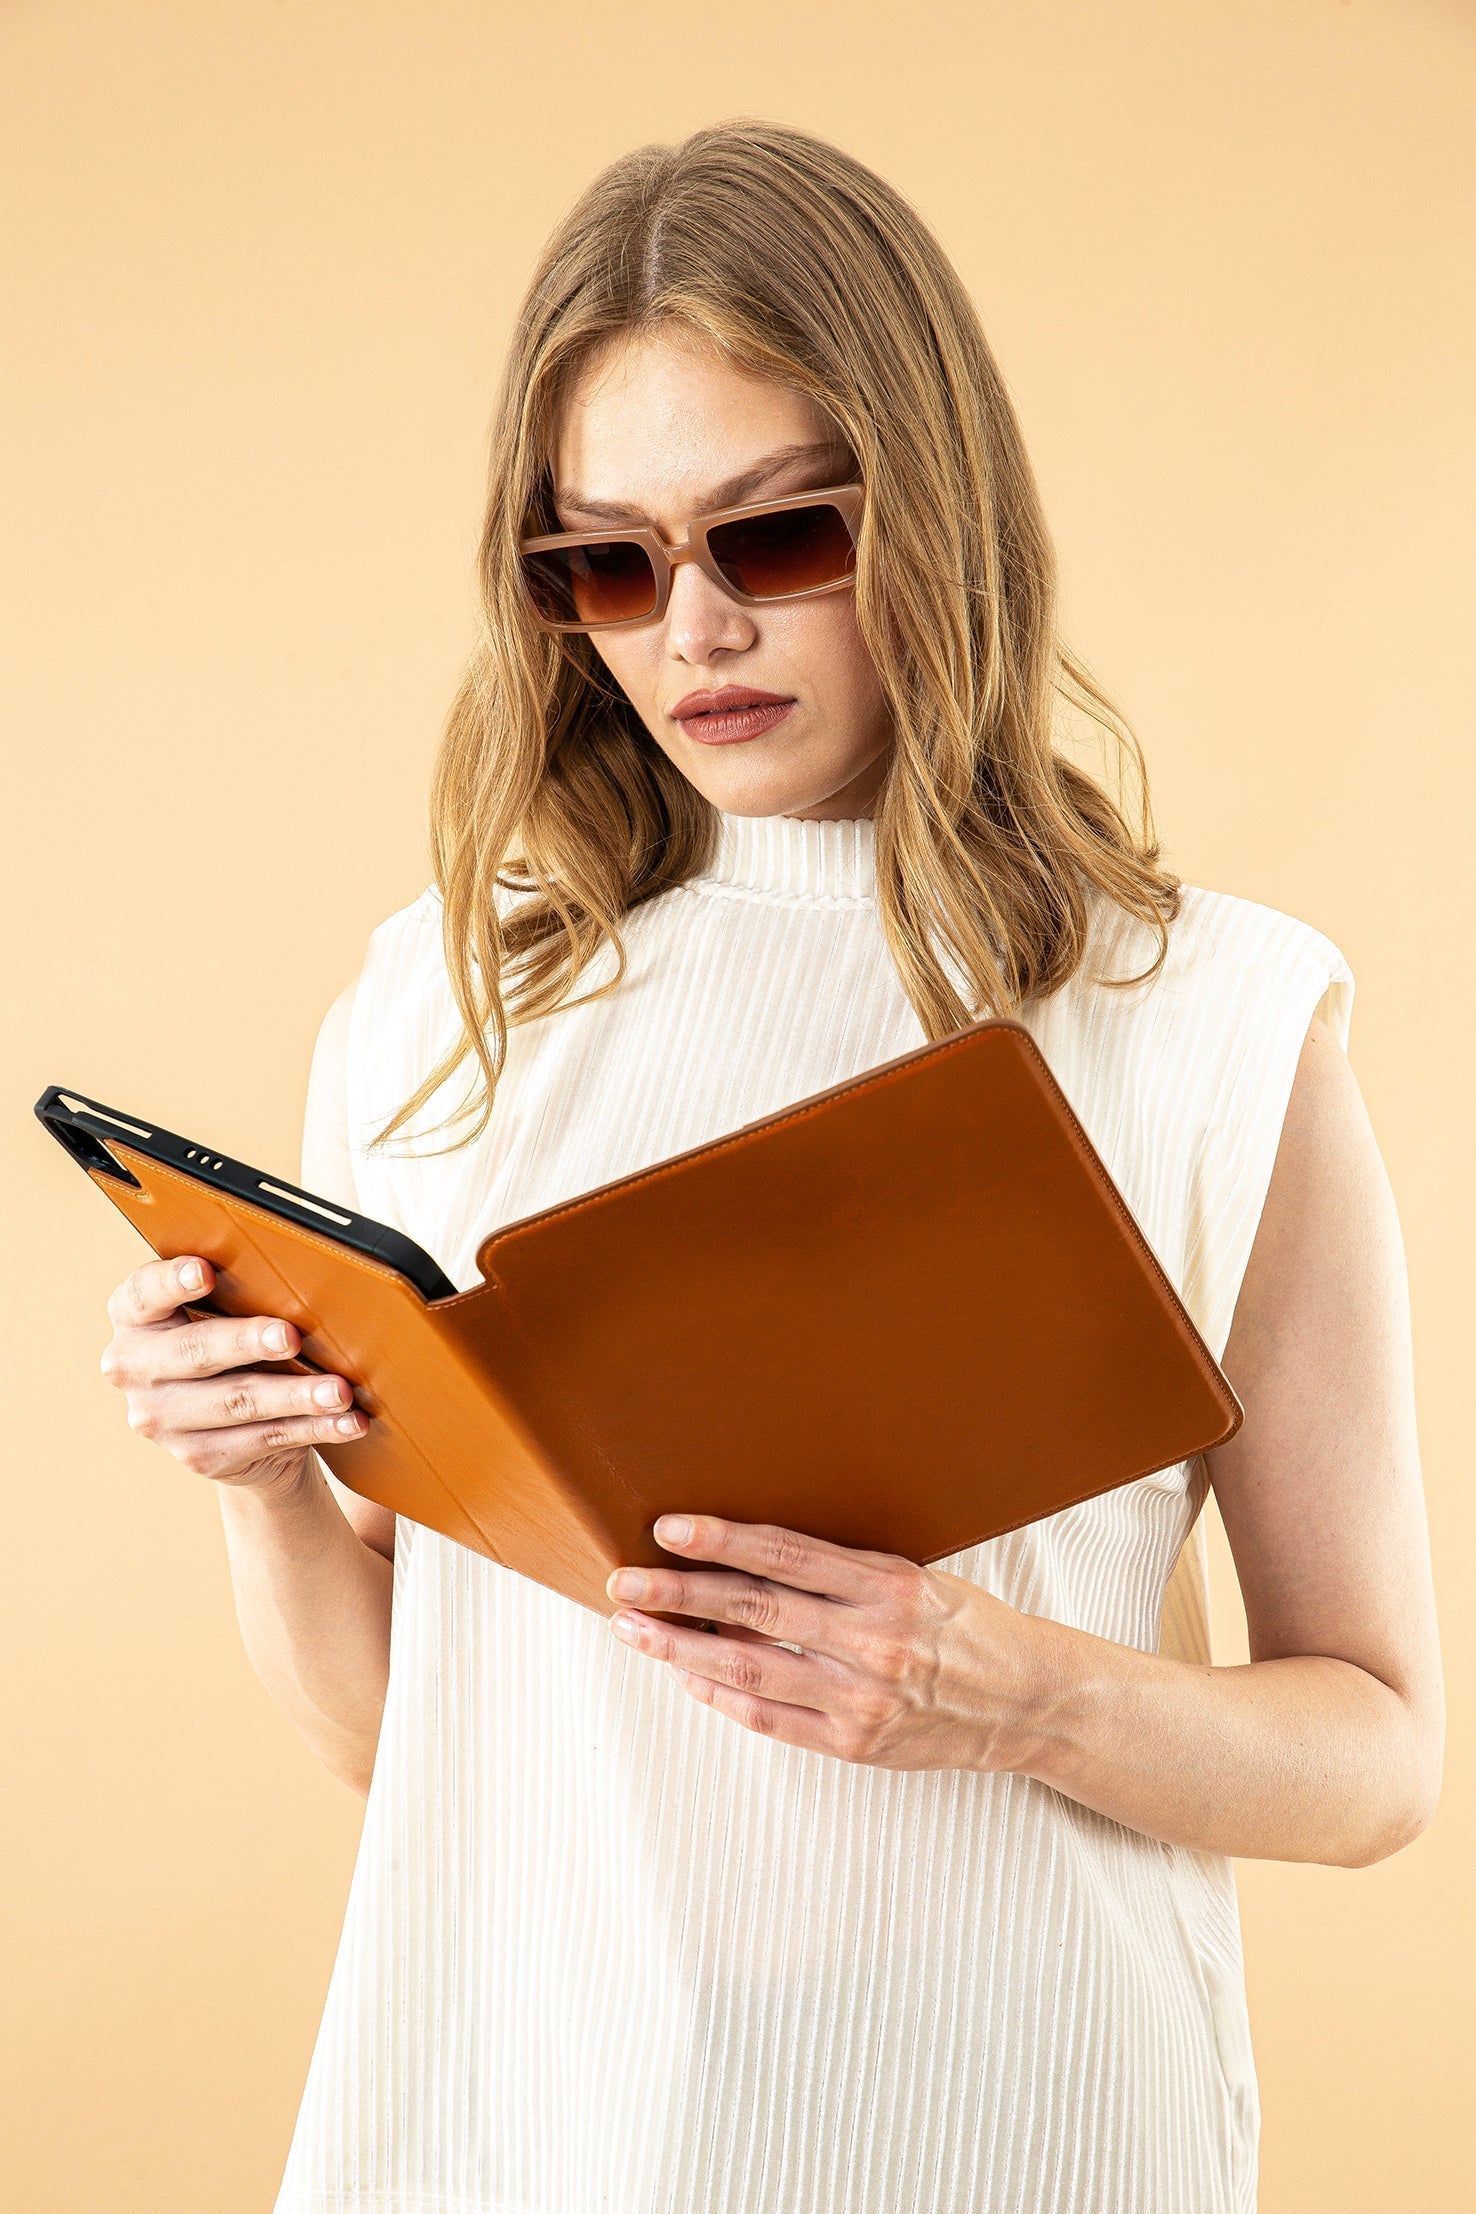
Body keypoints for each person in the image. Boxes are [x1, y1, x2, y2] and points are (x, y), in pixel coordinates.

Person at [97, 120, 1443, 2214]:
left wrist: (1008, 1694)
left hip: (1018, 2133)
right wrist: (262, 1482)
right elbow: (415, 1747)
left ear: (938, 511)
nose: (695, 629)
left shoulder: (1207, 1021)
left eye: (780, 534)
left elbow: (1376, 1758)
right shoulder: (444, 1013)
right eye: (607, 562)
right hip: (519, 2134)